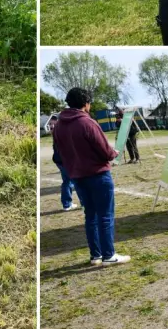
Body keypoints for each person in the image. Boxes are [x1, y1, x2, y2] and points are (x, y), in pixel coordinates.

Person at [53, 87, 130, 266]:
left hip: (77, 177)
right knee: (105, 215)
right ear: (86, 104)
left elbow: (60, 152)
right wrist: (113, 153)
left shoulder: (58, 126)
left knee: (90, 215)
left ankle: (95, 255)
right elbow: (104, 150)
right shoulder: (87, 123)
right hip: (97, 175)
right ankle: (109, 255)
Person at [51, 132, 80, 212]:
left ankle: (67, 204)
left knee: (67, 181)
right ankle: (83, 203)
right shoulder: (64, 132)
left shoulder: (58, 132)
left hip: (60, 161)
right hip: (65, 162)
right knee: (76, 181)